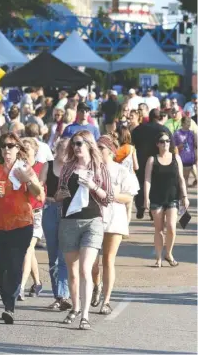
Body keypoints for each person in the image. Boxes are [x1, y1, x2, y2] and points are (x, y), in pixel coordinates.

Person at [0, 133, 44, 324]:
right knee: (2, 266)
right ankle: (7, 300)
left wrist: (28, 180)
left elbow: (39, 195)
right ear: (0, 149)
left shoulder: (25, 169)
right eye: (4, 146)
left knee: (15, 264)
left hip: (21, 224)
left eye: (11, 146)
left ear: (18, 149)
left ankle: (10, 306)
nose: (7, 150)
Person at [56, 130, 113, 330]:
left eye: (80, 143)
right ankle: (76, 307)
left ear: (89, 145)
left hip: (92, 221)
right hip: (69, 221)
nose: (76, 147)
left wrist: (92, 186)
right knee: (72, 271)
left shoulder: (99, 167)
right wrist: (60, 194)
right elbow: (59, 193)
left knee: (85, 269)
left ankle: (85, 315)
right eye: (74, 143)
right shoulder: (68, 167)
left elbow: (108, 198)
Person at [91, 135, 137, 313]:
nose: (98, 151)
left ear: (110, 151)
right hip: (94, 217)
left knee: (108, 260)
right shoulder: (91, 169)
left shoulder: (121, 171)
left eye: (101, 148)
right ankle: (97, 285)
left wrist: (112, 196)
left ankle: (107, 301)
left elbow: (129, 196)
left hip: (114, 217)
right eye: (96, 147)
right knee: (93, 264)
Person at [144, 131, 189, 268]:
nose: (165, 144)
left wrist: (185, 196)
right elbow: (147, 180)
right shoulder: (152, 159)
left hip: (172, 197)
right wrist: (146, 198)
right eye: (162, 141)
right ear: (157, 144)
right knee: (158, 229)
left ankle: (168, 253)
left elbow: (181, 178)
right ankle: (158, 257)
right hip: (156, 198)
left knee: (171, 227)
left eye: (168, 141)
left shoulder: (176, 158)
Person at [39, 138, 71, 310]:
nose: (65, 153)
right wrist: (45, 198)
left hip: (68, 212)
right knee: (53, 256)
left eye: (68, 150)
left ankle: (63, 295)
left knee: (63, 255)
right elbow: (39, 186)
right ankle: (58, 296)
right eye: (62, 149)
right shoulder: (48, 165)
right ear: (57, 149)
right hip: (51, 209)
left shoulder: (73, 168)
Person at [131, 109, 172, 219]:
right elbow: (170, 146)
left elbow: (132, 144)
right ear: (159, 117)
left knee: (140, 184)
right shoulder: (164, 129)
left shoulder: (138, 129)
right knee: (154, 185)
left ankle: (140, 207)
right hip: (157, 161)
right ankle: (152, 210)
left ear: (149, 117)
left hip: (141, 160)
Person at [18, 138, 45, 300]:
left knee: (28, 248)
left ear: (35, 151)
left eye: (27, 149)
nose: (25, 152)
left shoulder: (42, 167)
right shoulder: (17, 167)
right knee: (30, 250)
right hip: (20, 213)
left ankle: (19, 286)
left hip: (37, 212)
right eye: (22, 149)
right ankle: (38, 282)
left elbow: (42, 193)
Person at [115, 127, 139, 223]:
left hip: (117, 179)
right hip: (130, 179)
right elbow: (136, 167)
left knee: (117, 204)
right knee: (128, 207)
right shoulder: (131, 148)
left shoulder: (115, 149)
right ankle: (126, 228)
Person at [173, 117, 197, 187]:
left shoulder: (192, 133)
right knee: (181, 179)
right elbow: (173, 147)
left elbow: (195, 146)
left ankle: (184, 196)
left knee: (185, 179)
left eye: (190, 122)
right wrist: (179, 146)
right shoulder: (177, 133)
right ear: (182, 123)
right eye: (187, 122)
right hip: (180, 159)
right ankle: (182, 195)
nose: (189, 124)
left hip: (189, 159)